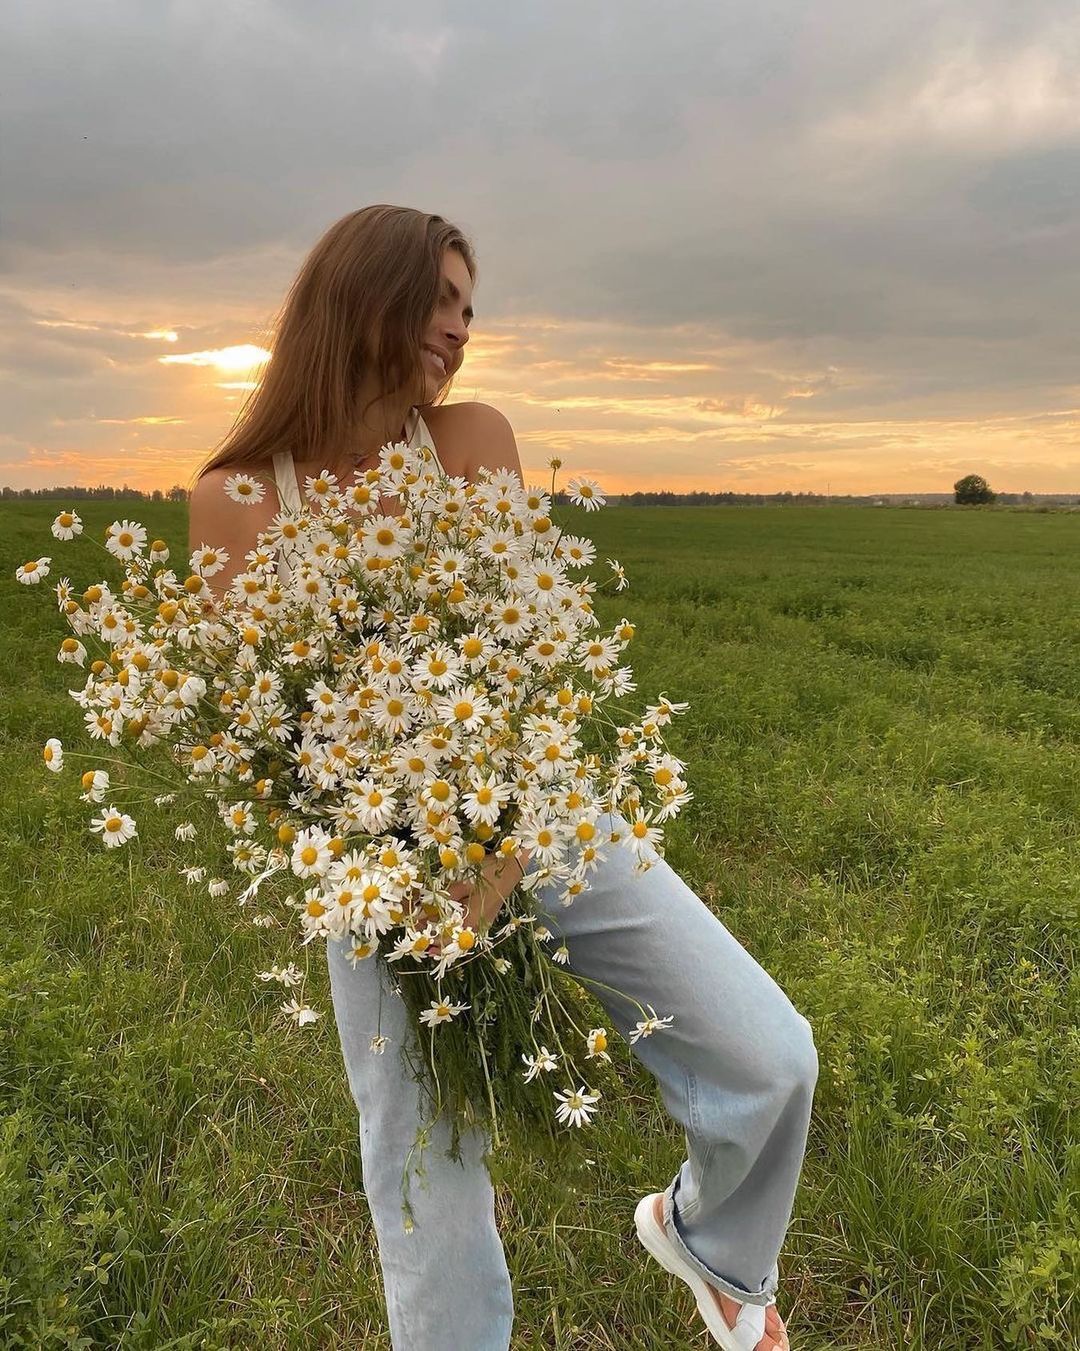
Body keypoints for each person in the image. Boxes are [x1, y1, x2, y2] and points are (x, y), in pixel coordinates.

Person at [188, 205, 817, 1351]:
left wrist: (496, 867)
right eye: (442, 298)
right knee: (428, 1177)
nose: (461, 328)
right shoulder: (235, 494)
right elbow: (270, 746)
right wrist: (411, 886)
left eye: (470, 307)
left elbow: (525, 673)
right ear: (359, 294)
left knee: (768, 1053)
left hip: (542, 809)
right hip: (378, 875)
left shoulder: (470, 440)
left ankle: (715, 1246)